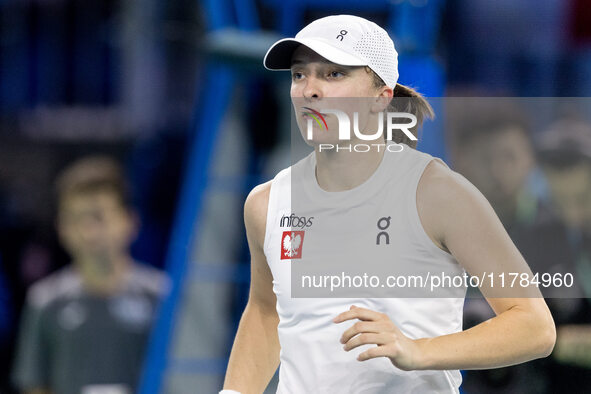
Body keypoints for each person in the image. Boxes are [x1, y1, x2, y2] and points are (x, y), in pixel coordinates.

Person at [221, 15, 556, 394]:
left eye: (334, 75)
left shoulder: (438, 193)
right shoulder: (265, 204)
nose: (309, 90)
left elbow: (534, 326)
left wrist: (418, 350)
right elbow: (266, 312)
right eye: (300, 75)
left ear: (381, 96)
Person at [11, 156, 169, 394]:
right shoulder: (44, 302)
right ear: (61, 228)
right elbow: (35, 386)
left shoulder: (163, 297)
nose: (88, 231)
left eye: (98, 216)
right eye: (75, 219)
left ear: (129, 221)